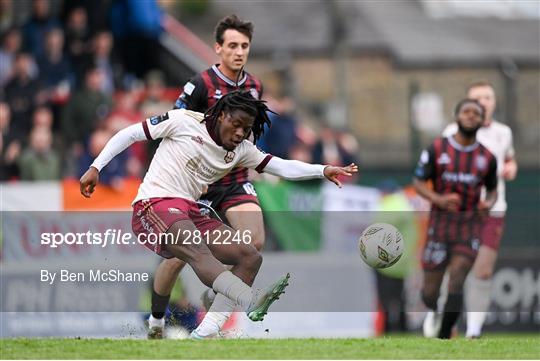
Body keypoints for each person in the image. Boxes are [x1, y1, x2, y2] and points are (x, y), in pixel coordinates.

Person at [80, 91, 358, 339]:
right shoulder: (183, 121)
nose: (239, 133)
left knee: (249, 257)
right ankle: (248, 300)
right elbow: (131, 134)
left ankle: (202, 335)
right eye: (236, 124)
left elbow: (281, 166)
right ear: (221, 114)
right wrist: (96, 166)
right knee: (197, 251)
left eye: (246, 129)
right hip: (154, 205)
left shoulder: (241, 150)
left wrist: (322, 170)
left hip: (190, 210)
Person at [148, 14, 266, 339]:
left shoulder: (255, 87)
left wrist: (261, 162)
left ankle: (213, 310)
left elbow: (254, 135)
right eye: (232, 45)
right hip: (197, 182)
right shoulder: (199, 85)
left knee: (253, 243)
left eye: (244, 46)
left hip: (234, 179)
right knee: (176, 259)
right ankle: (157, 320)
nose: (239, 51)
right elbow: (175, 124)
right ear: (218, 48)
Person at [438, 81, 517, 338]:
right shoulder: (452, 132)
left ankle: (473, 331)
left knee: (482, 270)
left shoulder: (503, 133)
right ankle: (445, 323)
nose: (483, 102)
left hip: (492, 210)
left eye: (488, 97)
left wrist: (511, 167)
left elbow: (509, 158)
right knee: (455, 269)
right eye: (477, 98)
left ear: (494, 102)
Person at [413, 98, 498, 339]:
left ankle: (443, 337)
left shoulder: (487, 158)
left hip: (470, 225)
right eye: (466, 112)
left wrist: (488, 203)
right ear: (457, 117)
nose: (471, 116)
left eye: (476, 113)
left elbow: (493, 190)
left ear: (482, 121)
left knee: (458, 275)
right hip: (439, 225)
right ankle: (435, 310)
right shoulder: (437, 149)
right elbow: (418, 181)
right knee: (429, 292)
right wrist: (438, 199)